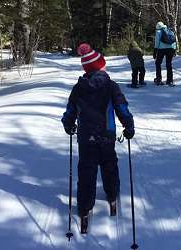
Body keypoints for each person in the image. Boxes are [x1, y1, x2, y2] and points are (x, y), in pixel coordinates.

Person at [61, 43, 135, 234]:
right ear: (100, 65)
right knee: (109, 165)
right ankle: (112, 193)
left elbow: (70, 110)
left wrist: (68, 124)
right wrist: (128, 125)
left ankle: (85, 206)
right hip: (106, 136)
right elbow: (122, 108)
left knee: (87, 170)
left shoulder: (79, 88)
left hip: (86, 138)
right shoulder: (111, 86)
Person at [153, 21, 177, 86]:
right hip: (171, 49)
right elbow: (174, 41)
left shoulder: (158, 32)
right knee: (169, 64)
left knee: (158, 63)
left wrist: (155, 51)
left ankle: (158, 79)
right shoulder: (170, 31)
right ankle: (170, 80)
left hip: (162, 49)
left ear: (157, 27)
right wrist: (174, 50)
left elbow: (157, 42)